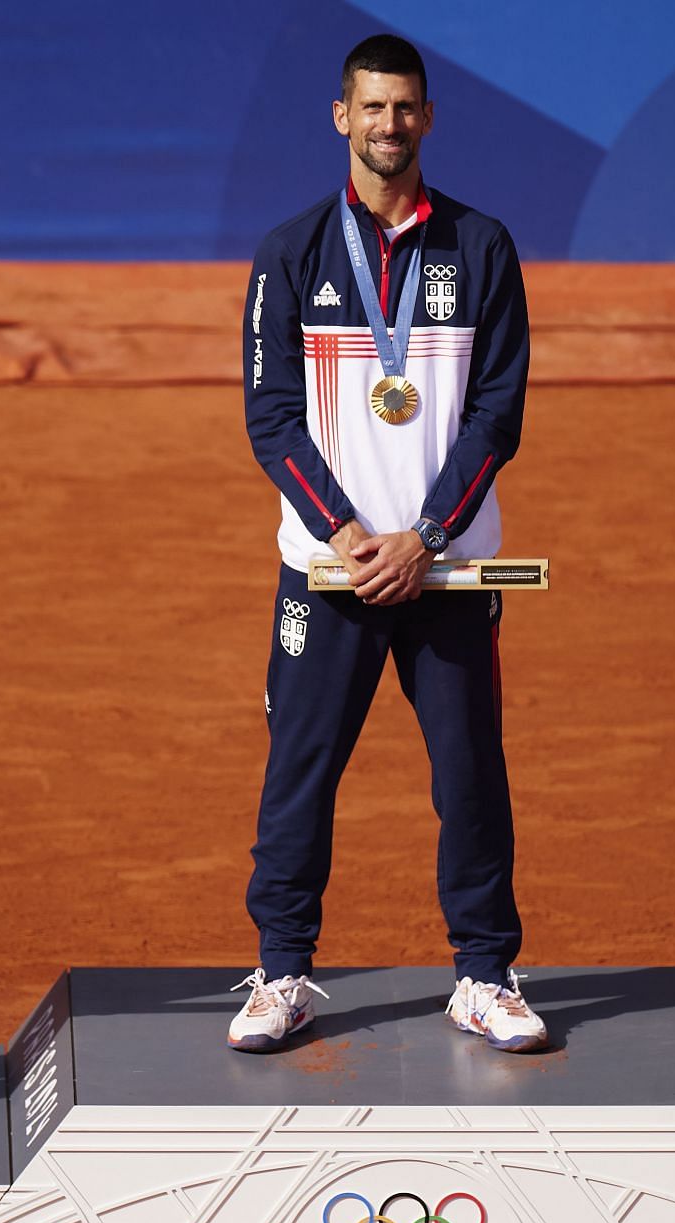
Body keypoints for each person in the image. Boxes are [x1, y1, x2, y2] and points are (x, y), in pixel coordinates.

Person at [228, 34, 542, 1054]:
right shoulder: (292, 253)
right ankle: (281, 970)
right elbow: (271, 414)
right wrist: (353, 534)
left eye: (405, 108)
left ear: (428, 119)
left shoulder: (483, 247)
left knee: (470, 774)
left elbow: (497, 414)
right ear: (340, 116)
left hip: (448, 571)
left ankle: (485, 973)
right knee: (300, 772)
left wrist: (426, 536)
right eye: (372, 108)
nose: (389, 125)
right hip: (327, 572)